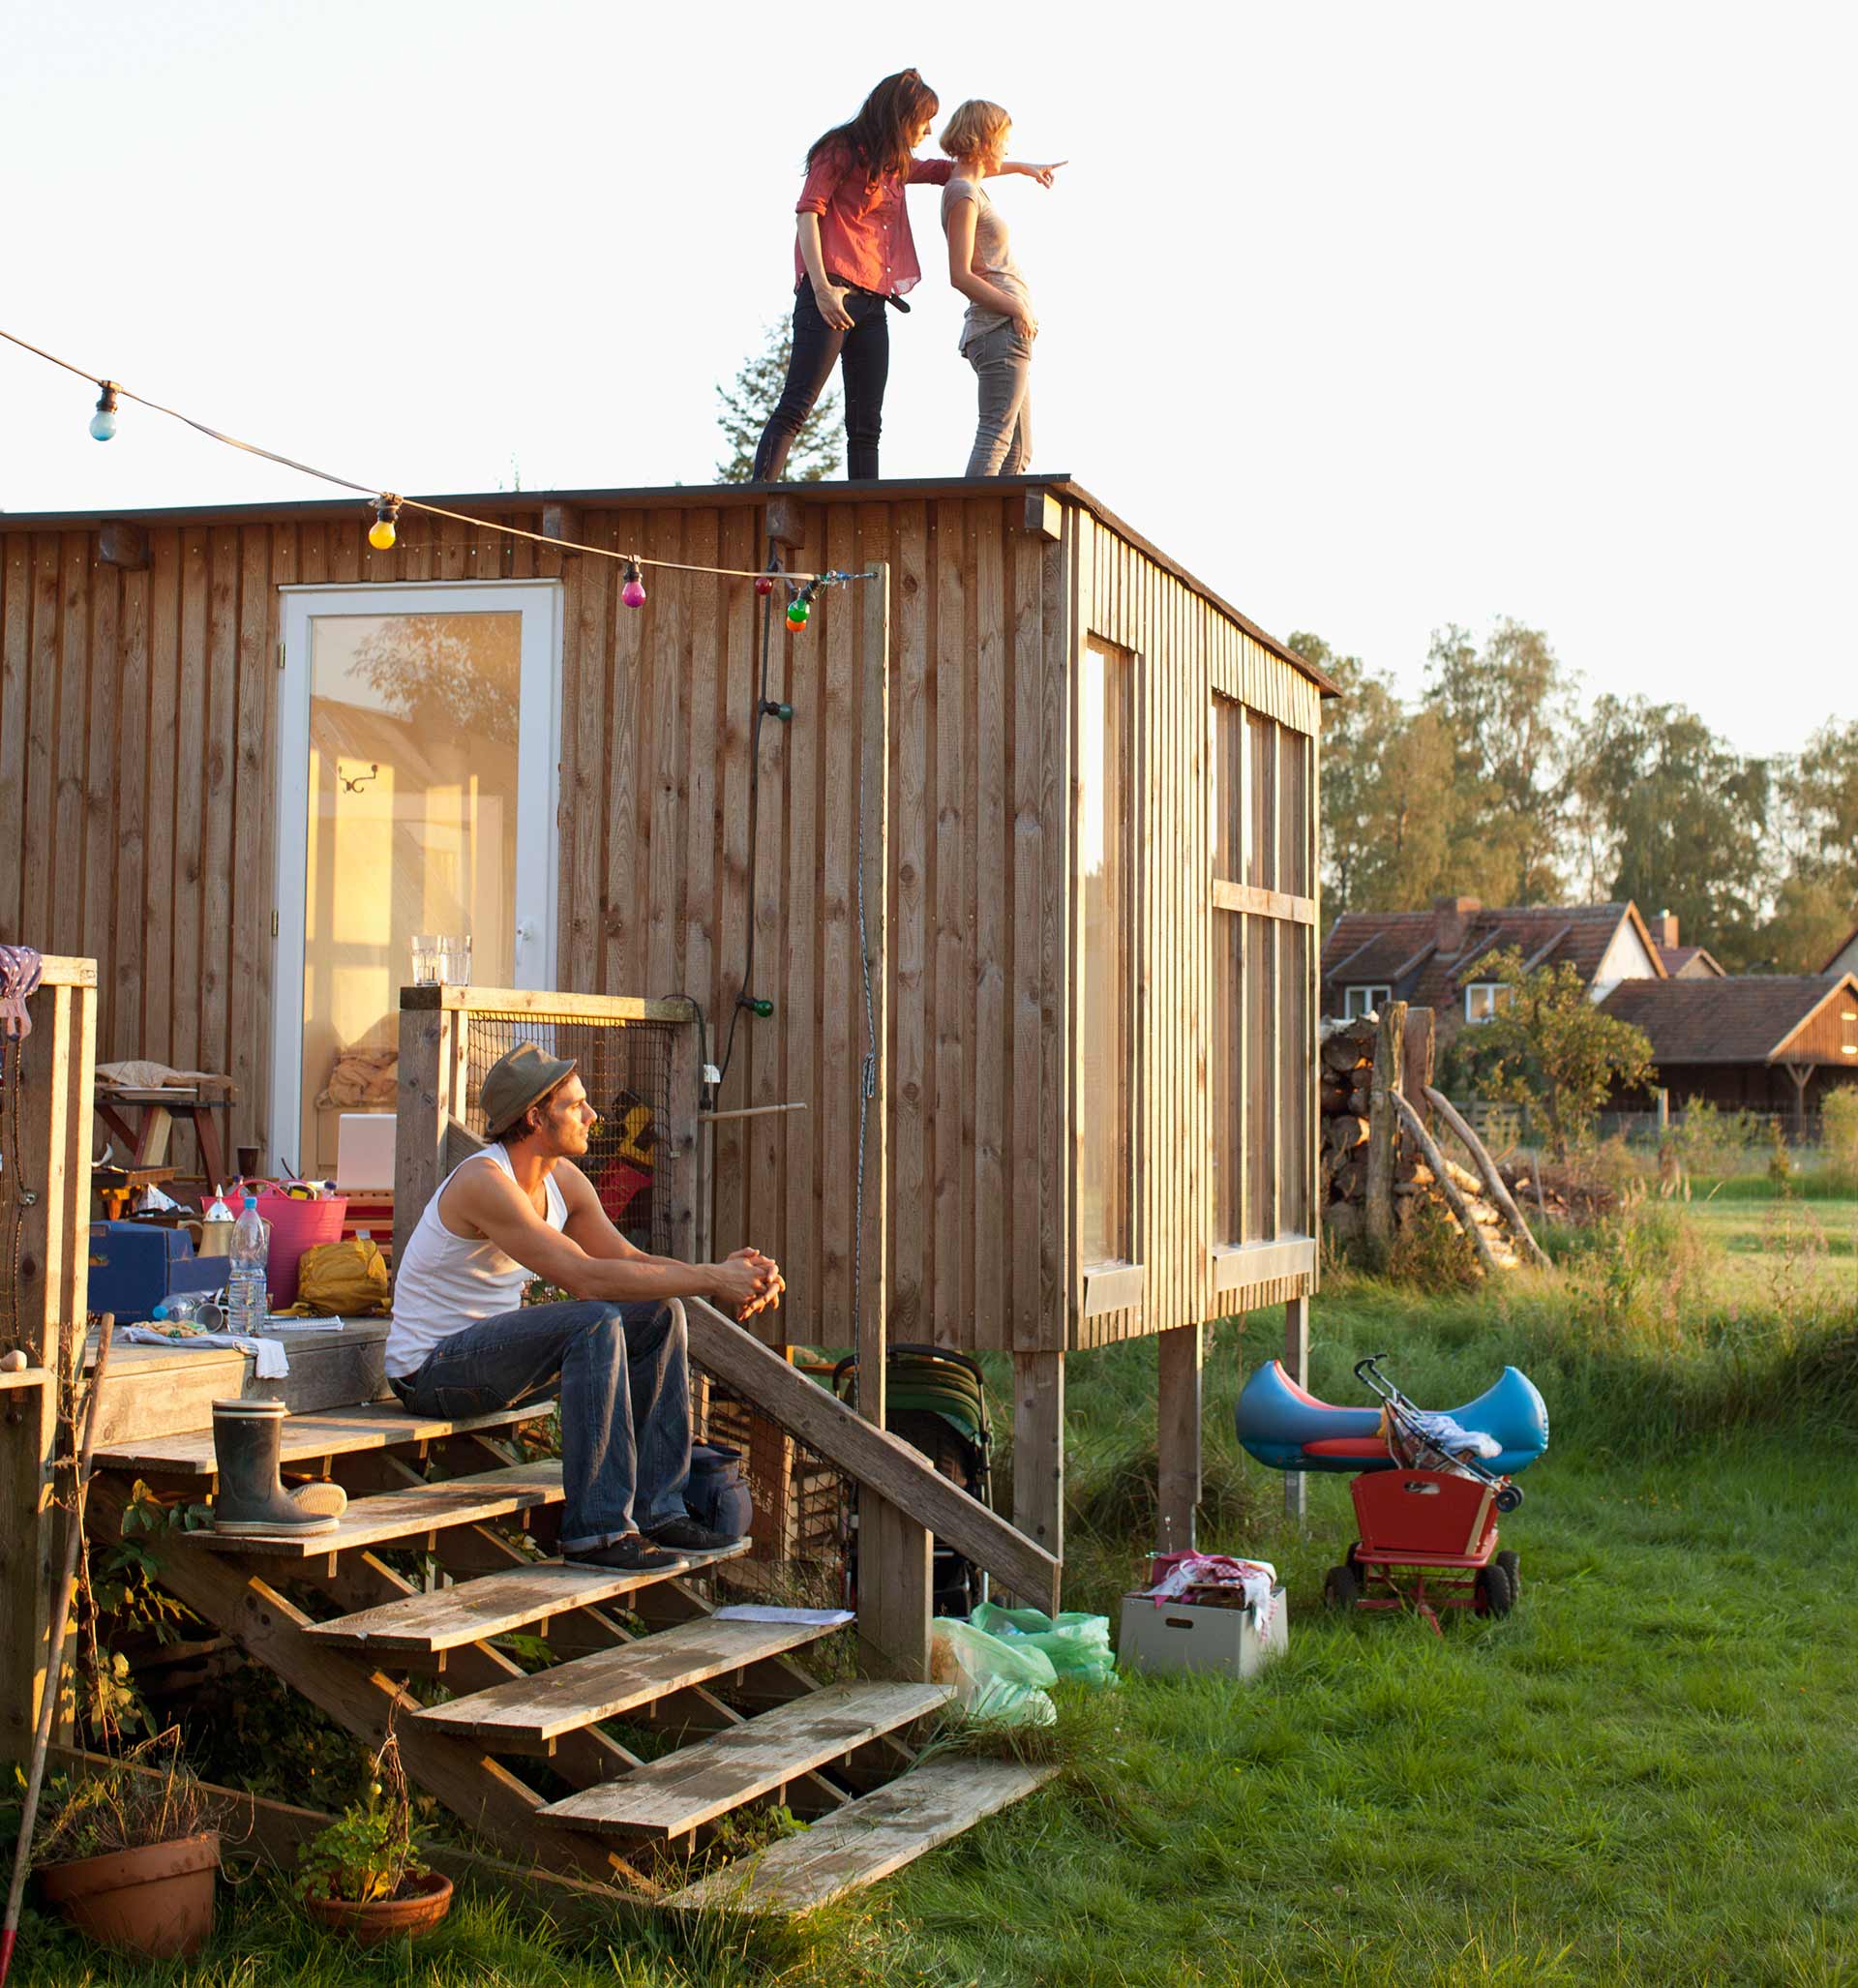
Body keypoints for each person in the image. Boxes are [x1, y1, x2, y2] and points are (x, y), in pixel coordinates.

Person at [385, 1041, 783, 1573]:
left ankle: (659, 1512)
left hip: (498, 1361)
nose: (593, 1115)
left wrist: (732, 1272)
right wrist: (714, 1279)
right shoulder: (483, 1182)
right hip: (431, 1372)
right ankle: (596, 1532)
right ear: (534, 1117)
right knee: (594, 1322)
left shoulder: (563, 1182)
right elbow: (586, 1279)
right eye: (576, 1106)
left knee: (659, 1315)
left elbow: (632, 1262)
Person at [751, 70, 1061, 483]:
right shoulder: (839, 150)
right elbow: (808, 212)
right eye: (923, 121)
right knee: (796, 406)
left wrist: (1023, 168)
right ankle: (757, 500)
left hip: (873, 301)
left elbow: (957, 169)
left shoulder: (896, 165)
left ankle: (866, 521)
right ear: (900, 116)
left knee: (866, 426)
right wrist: (821, 288)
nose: (929, 129)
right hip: (831, 293)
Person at [940, 103, 1063, 477]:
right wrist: (1016, 309)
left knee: (1018, 452)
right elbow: (959, 275)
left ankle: (999, 534)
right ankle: (969, 533)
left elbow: (979, 172)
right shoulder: (963, 194)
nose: (1007, 151)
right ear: (984, 141)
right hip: (997, 328)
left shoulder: (969, 186)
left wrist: (1025, 169)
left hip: (1008, 327)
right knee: (995, 438)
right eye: (1004, 142)